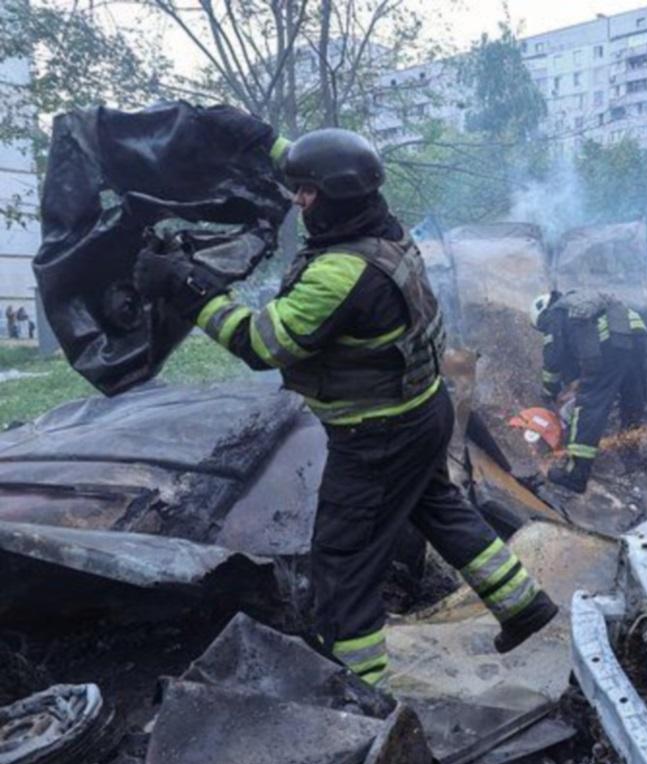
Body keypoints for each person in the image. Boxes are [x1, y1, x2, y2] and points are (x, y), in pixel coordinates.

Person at [133, 111, 558, 686]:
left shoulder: (339, 273)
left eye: (308, 191)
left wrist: (187, 288)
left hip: (377, 437)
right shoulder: (382, 228)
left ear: (335, 195)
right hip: (423, 411)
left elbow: (263, 343)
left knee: (345, 563)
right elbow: (328, 169)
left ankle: (361, 691)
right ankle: (524, 603)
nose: (299, 201)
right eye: (298, 187)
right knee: (438, 507)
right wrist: (263, 141)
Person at [530, 290, 647, 493]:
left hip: (611, 340)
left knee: (590, 405)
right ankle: (631, 456)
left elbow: (553, 360)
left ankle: (576, 474)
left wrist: (548, 391)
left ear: (542, 313)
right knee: (632, 400)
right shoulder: (581, 301)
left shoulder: (556, 313)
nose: (545, 331)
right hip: (638, 335)